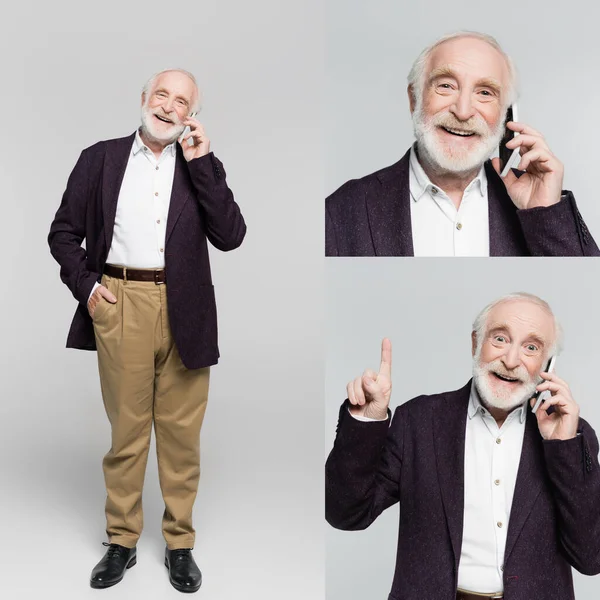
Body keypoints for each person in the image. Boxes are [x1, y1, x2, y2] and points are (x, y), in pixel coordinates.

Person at [48, 68, 246, 592]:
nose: (168, 107)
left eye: (182, 102)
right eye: (162, 95)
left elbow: (231, 236)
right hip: (120, 302)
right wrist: (89, 290)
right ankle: (121, 541)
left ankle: (179, 545)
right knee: (127, 434)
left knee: (181, 437)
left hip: (185, 304)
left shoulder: (201, 164)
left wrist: (202, 163)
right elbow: (63, 233)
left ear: (191, 115)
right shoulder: (101, 158)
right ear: (143, 99)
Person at [325, 293, 600, 600]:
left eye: (531, 347)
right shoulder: (418, 421)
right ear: (475, 343)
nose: (510, 361)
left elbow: (591, 558)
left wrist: (563, 447)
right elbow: (346, 513)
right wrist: (366, 421)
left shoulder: (573, 436)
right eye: (499, 339)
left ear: (549, 364)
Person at [325, 32, 599, 256]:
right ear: (414, 99)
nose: (464, 111)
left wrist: (546, 215)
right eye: (445, 86)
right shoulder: (342, 209)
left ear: (506, 116)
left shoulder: (535, 204)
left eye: (485, 92)